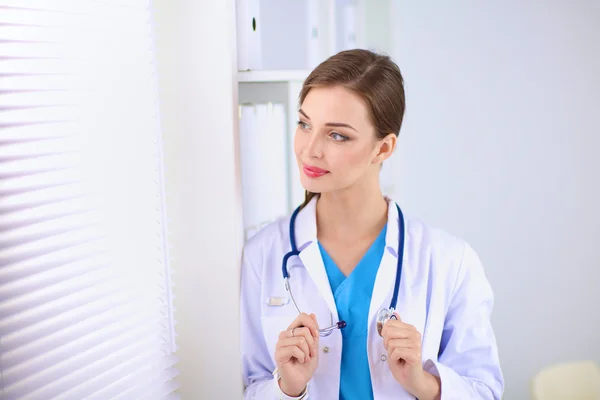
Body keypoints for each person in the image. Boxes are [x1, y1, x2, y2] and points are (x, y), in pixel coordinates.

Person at [239, 49, 504, 400]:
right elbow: (248, 385)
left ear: (383, 149)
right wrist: (289, 387)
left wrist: (422, 384)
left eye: (337, 135)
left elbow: (485, 391)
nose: (310, 149)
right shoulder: (264, 255)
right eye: (305, 124)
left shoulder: (449, 261)